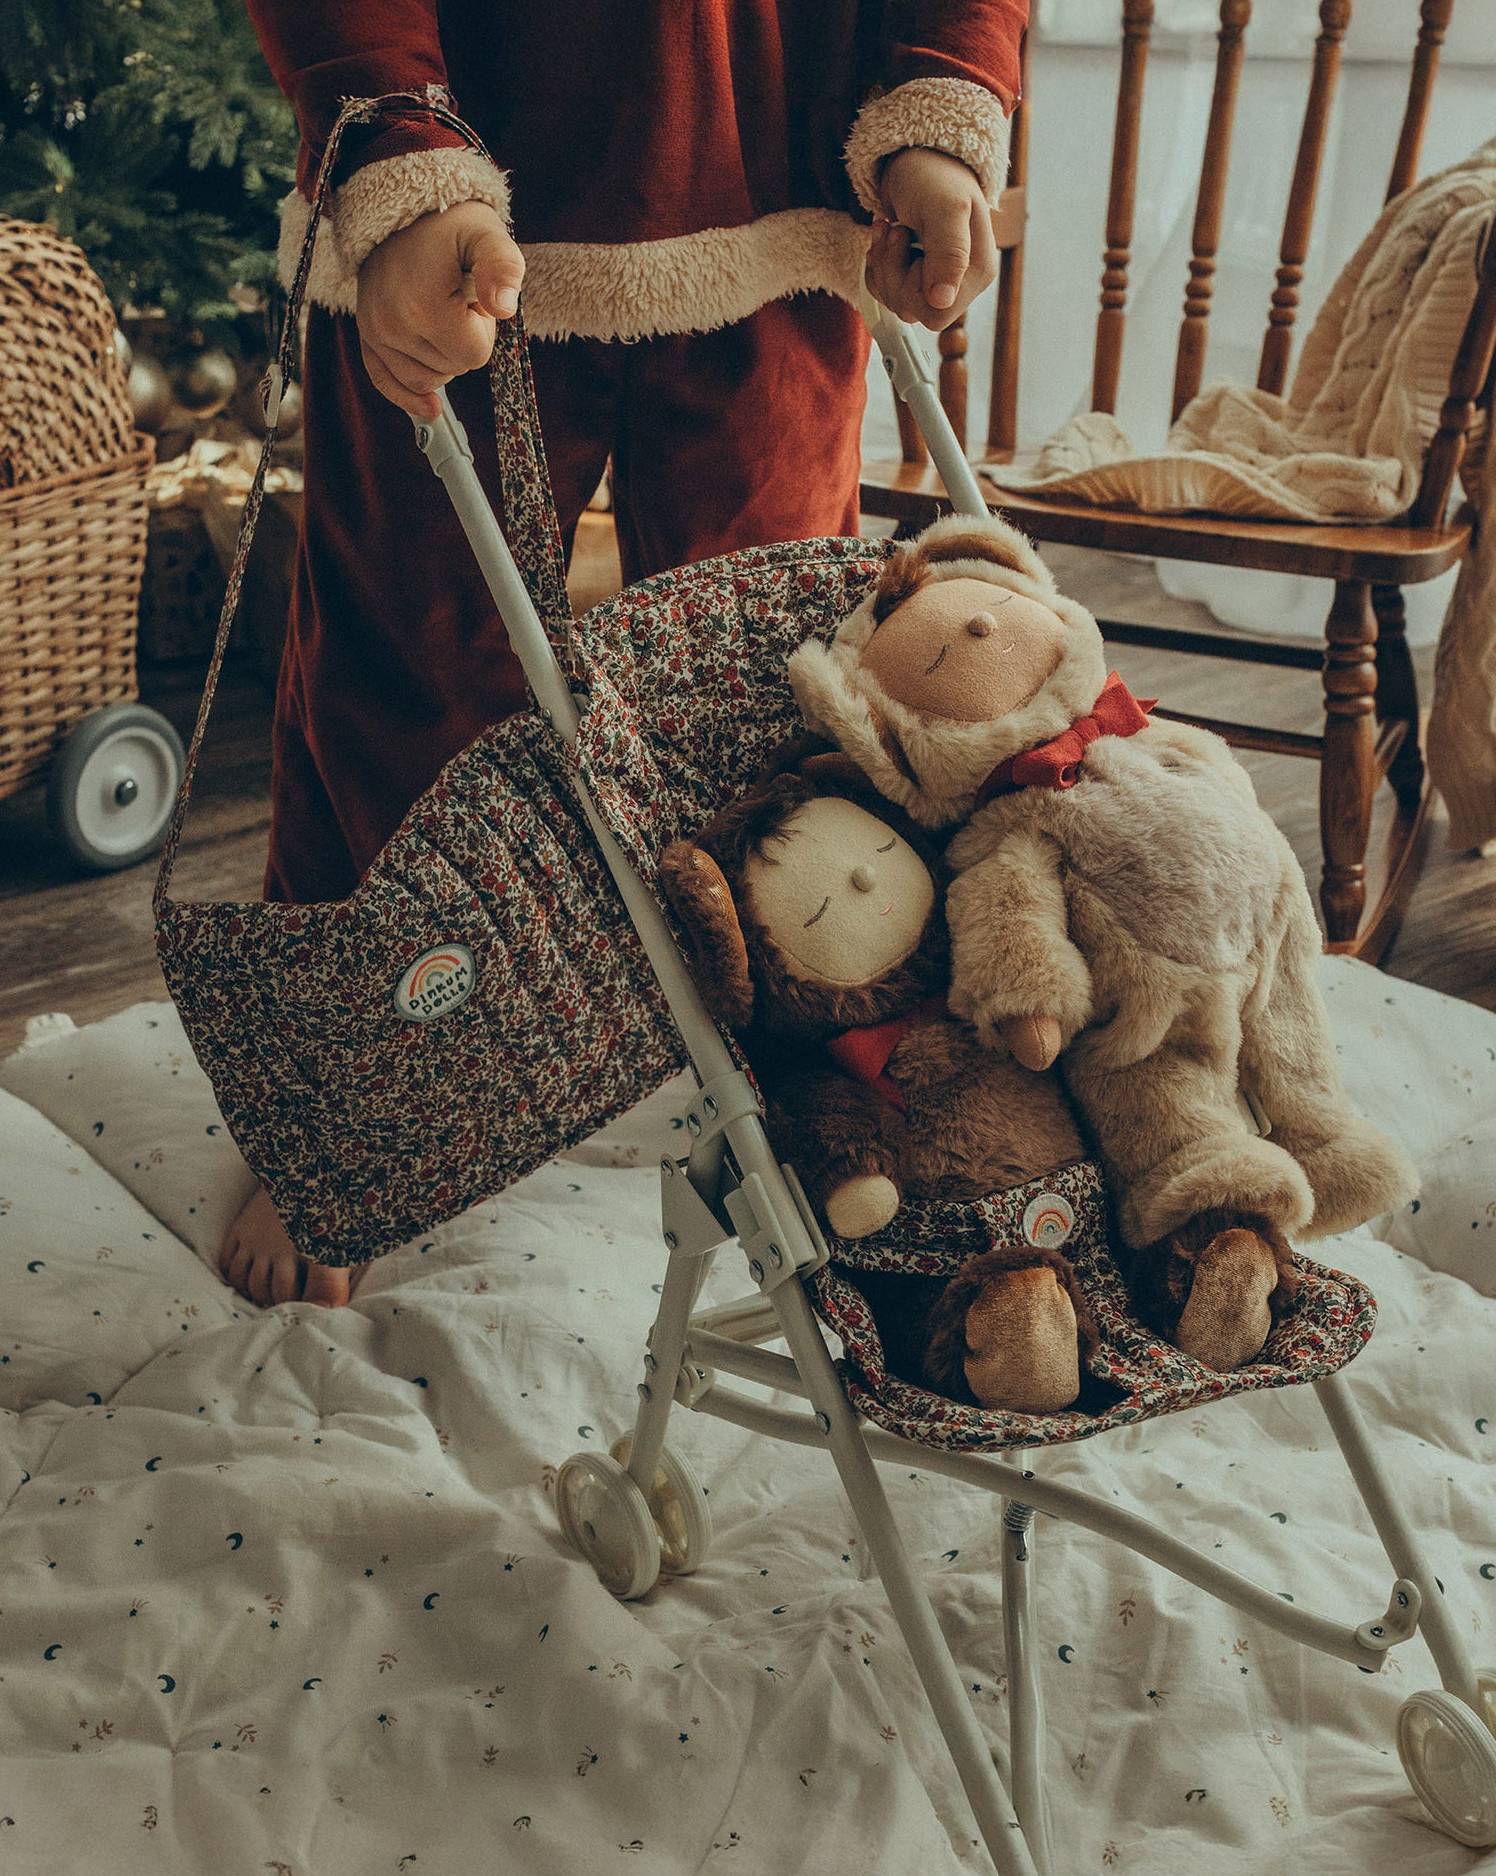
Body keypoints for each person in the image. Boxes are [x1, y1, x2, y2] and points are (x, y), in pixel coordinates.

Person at [221, 2, 1029, 1305]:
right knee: (406, 682)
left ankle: (828, 1087)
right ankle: (349, 1096)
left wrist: (940, 112)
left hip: (773, 190)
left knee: (780, 705)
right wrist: (396, 151)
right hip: (454, 186)